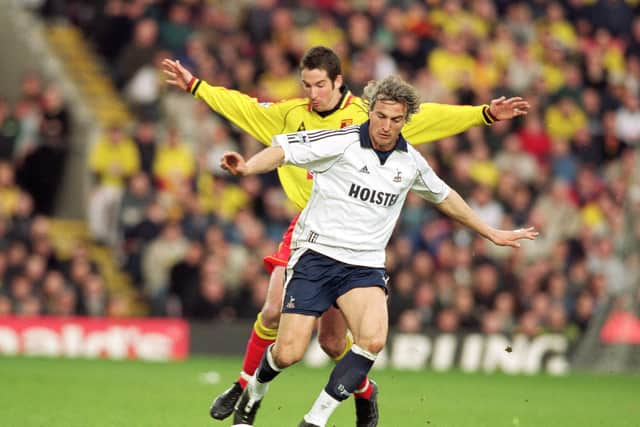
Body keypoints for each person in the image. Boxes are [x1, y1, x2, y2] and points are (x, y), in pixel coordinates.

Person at [161, 46, 530, 425]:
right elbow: (246, 111)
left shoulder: (384, 128)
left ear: (339, 82)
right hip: (312, 234)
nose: (312, 93)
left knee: (339, 343)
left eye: (319, 84)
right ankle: (246, 387)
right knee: (279, 328)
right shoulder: (311, 124)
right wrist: (198, 89)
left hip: (362, 258)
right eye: (306, 84)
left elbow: (436, 130)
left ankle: (330, 410)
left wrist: (483, 115)